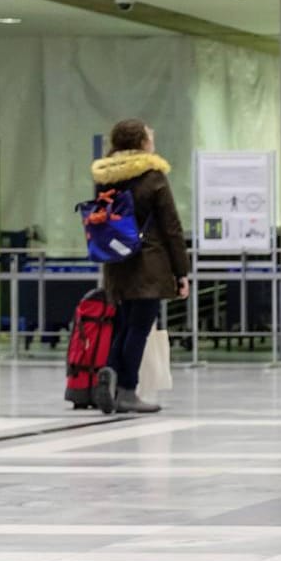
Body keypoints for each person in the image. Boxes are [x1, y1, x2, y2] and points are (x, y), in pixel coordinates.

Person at [88, 119, 189, 415]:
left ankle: (111, 374)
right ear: (141, 142)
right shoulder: (153, 175)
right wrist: (181, 272)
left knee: (122, 326)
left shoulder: (105, 176)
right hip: (149, 264)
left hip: (117, 262)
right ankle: (127, 389)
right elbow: (171, 227)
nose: (152, 139)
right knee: (139, 328)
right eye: (149, 136)